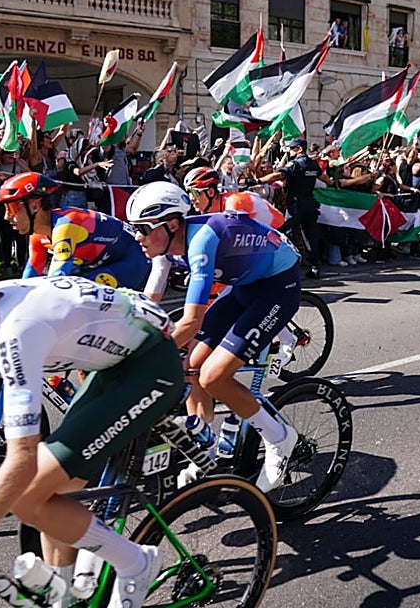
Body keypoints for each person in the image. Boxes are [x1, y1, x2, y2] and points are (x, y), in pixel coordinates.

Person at [0, 236, 182, 608]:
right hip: (114, 364)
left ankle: (136, 562)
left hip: (151, 368)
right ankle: (65, 596)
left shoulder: (17, 330)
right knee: (55, 491)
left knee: (28, 495)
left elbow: (19, 461)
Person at [127, 181, 301, 493]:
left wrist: (143, 356)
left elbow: (192, 320)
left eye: (142, 228)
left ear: (172, 224)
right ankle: (204, 450)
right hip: (245, 286)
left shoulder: (201, 241)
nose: (137, 236)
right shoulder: (164, 248)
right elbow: (149, 302)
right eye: (133, 228)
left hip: (278, 286)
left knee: (213, 377)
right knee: (191, 366)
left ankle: (280, 438)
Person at [0, 172, 149, 289]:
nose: (6, 217)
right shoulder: (38, 235)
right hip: (106, 263)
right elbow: (30, 277)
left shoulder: (65, 226)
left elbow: (56, 282)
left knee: (80, 296)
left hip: (133, 260)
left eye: (12, 208)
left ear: (35, 205)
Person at [258, 138, 322, 278]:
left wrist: (258, 181)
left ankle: (285, 267)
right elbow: (326, 179)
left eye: (292, 149)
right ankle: (315, 267)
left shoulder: (295, 164)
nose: (290, 151)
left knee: (284, 234)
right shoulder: (313, 164)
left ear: (299, 149)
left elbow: (279, 175)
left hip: (296, 205)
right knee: (310, 237)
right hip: (310, 204)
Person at [183, 165, 285, 228]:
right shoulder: (211, 208)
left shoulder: (233, 203)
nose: (191, 198)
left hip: (280, 234)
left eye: (195, 192)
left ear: (210, 192)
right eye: (189, 192)